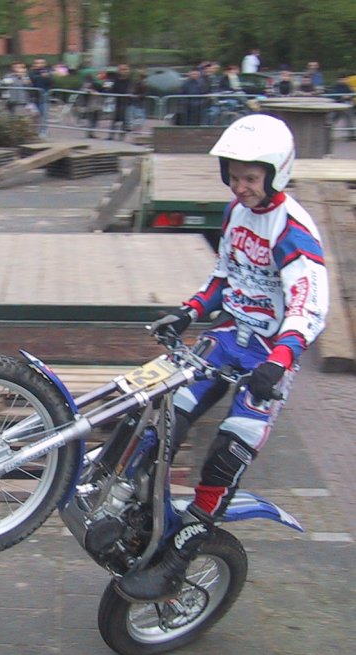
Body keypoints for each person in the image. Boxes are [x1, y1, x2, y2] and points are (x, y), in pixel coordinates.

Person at [117, 114, 328, 602]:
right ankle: (137, 508)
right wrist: (188, 312)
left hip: (270, 356)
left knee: (229, 450)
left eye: (250, 178)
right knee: (165, 418)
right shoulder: (236, 212)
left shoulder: (294, 233)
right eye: (233, 177)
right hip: (230, 335)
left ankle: (181, 555)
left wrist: (277, 362)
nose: (240, 187)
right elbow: (223, 276)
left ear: (276, 173)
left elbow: (310, 308)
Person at [107, 64, 133, 140]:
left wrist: (130, 94)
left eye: (126, 69)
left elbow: (132, 90)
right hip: (117, 102)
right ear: (119, 71)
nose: (125, 71)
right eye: (123, 70)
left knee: (125, 120)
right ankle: (111, 136)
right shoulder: (115, 80)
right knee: (114, 119)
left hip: (127, 103)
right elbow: (111, 90)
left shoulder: (130, 81)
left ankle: (121, 137)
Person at [330, 71, 355, 141]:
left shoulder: (346, 86)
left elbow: (352, 93)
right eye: (344, 79)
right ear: (339, 79)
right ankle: (327, 134)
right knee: (332, 120)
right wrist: (341, 97)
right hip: (336, 106)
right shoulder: (335, 86)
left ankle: (351, 135)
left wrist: (349, 96)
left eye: (346, 79)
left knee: (349, 119)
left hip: (346, 105)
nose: (345, 80)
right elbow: (333, 95)